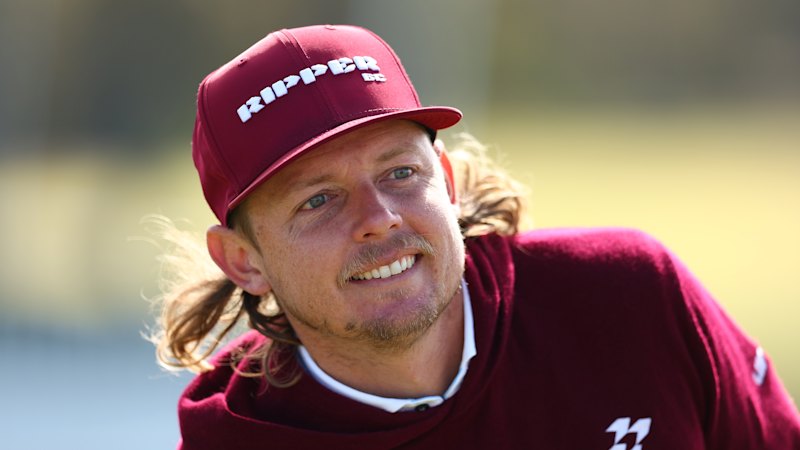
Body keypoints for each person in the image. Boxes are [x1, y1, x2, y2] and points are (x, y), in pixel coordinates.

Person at [150, 24, 800, 449]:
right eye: (318, 200)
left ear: (447, 181)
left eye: (400, 173)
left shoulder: (629, 298)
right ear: (244, 261)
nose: (380, 216)